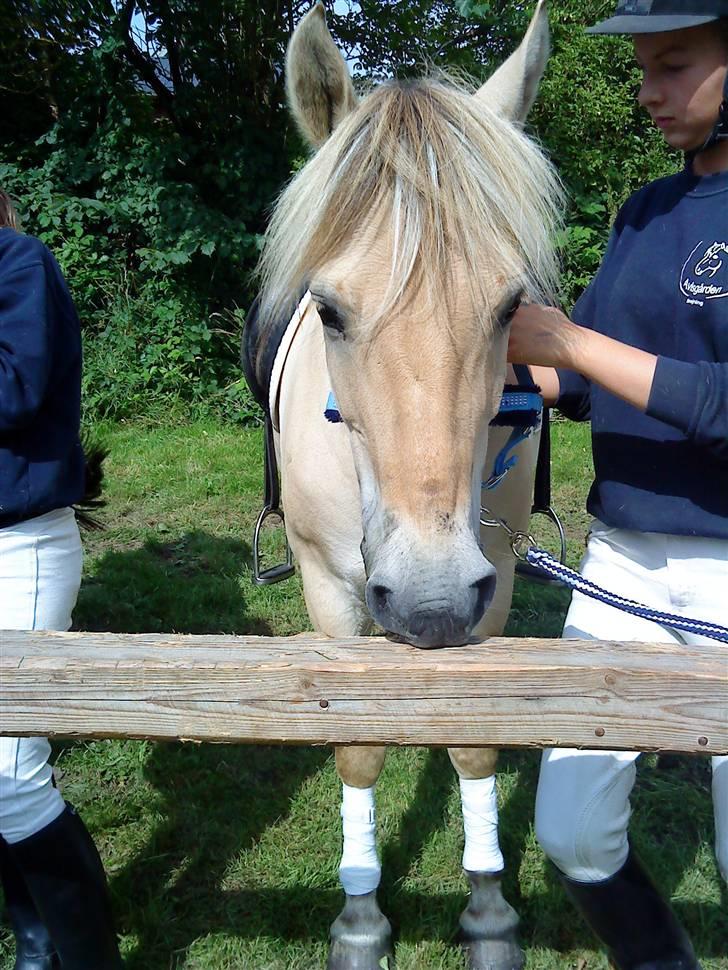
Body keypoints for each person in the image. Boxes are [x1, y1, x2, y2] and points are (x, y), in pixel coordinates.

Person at [507, 3, 728, 968]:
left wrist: (572, 340)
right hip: (620, 566)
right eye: (644, 67)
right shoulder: (644, 208)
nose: (649, 90)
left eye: (674, 64)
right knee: (570, 829)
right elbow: (578, 379)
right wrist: (483, 349)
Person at [0, 190, 123, 968]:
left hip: (18, 547)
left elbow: (14, 391)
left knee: (10, 778)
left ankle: (89, 959)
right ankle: (38, 938)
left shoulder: (19, 265)